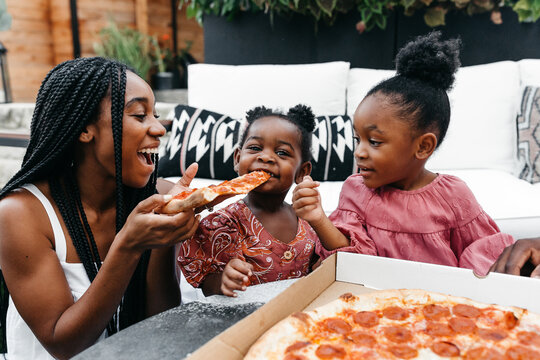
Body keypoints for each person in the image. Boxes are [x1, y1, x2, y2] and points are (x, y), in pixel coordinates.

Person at [0, 57, 201, 359]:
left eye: (156, 115)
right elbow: (64, 345)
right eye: (139, 115)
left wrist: (164, 239)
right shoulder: (20, 214)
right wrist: (129, 246)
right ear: (84, 129)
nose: (159, 129)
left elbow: (162, 327)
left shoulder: (157, 194)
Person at [292, 32, 514, 276]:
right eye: (358, 139)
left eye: (374, 141)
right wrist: (318, 219)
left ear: (423, 147)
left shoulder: (454, 197)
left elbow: (485, 260)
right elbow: (351, 262)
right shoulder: (357, 191)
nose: (359, 152)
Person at [177, 105, 320, 297]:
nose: (266, 157)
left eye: (282, 153)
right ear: (237, 158)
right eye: (255, 148)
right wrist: (223, 281)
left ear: (302, 172)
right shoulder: (222, 224)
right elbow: (207, 285)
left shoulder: (307, 218)